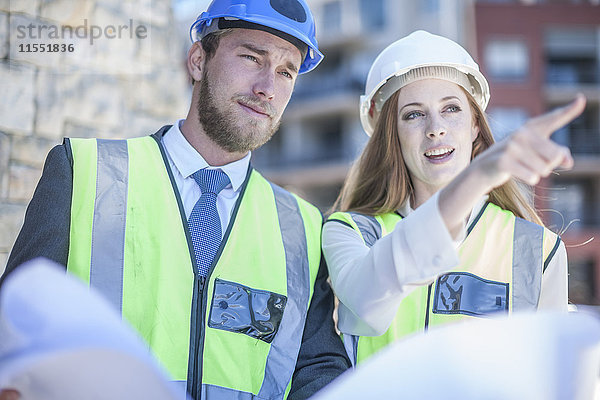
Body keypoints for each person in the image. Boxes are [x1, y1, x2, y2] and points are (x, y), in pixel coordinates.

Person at [0, 0, 351, 399]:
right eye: (252, 58)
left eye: (286, 72)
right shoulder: (85, 171)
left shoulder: (301, 227)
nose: (267, 88)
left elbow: (317, 370)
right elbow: (15, 333)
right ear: (198, 61)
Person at [322, 30, 586, 365]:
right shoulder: (350, 230)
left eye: (451, 109)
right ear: (392, 135)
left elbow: (550, 376)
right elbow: (366, 299)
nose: (436, 128)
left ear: (476, 124)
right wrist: (476, 178)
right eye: (413, 114)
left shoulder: (539, 250)